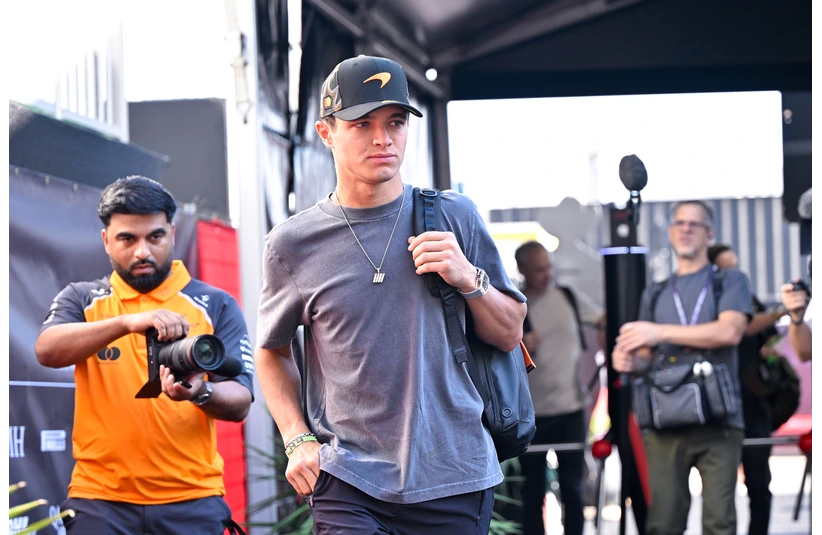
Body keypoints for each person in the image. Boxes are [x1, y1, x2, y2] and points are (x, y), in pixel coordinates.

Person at [253, 54, 527, 534]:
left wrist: (469, 277)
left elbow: (509, 334)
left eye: (395, 122)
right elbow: (271, 350)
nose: (383, 139)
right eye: (362, 124)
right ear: (326, 133)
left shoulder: (454, 217)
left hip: (455, 474)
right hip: (347, 478)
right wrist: (297, 439)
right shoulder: (292, 244)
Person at [34, 176, 255, 535]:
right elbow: (47, 349)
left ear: (172, 233)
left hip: (192, 499)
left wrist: (200, 391)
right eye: (127, 239)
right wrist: (126, 323)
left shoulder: (216, 303)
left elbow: (241, 401)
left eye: (155, 237)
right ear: (106, 240)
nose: (142, 252)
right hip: (100, 501)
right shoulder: (83, 299)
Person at [612, 200, 752, 535]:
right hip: (665, 420)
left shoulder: (729, 280)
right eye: (679, 223)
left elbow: (730, 332)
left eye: (694, 223)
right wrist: (627, 361)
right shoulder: (656, 291)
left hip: (718, 420)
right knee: (663, 523)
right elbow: (645, 358)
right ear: (671, 232)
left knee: (719, 523)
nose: (686, 229)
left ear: (709, 233)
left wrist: (660, 332)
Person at [514, 241, 604, 535]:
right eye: (539, 269)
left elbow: (603, 319)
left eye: (549, 267)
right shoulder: (513, 305)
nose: (547, 274)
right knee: (532, 492)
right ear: (522, 270)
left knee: (573, 490)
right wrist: (518, 345)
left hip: (570, 409)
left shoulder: (567, 297)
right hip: (532, 413)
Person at [708, 243, 787, 535]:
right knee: (719, 488)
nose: (733, 274)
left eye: (735, 267)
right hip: (718, 405)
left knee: (758, 483)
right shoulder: (706, 302)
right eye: (725, 268)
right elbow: (739, 329)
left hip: (754, 404)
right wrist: (781, 312)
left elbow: (770, 336)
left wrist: (770, 350)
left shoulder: (749, 299)